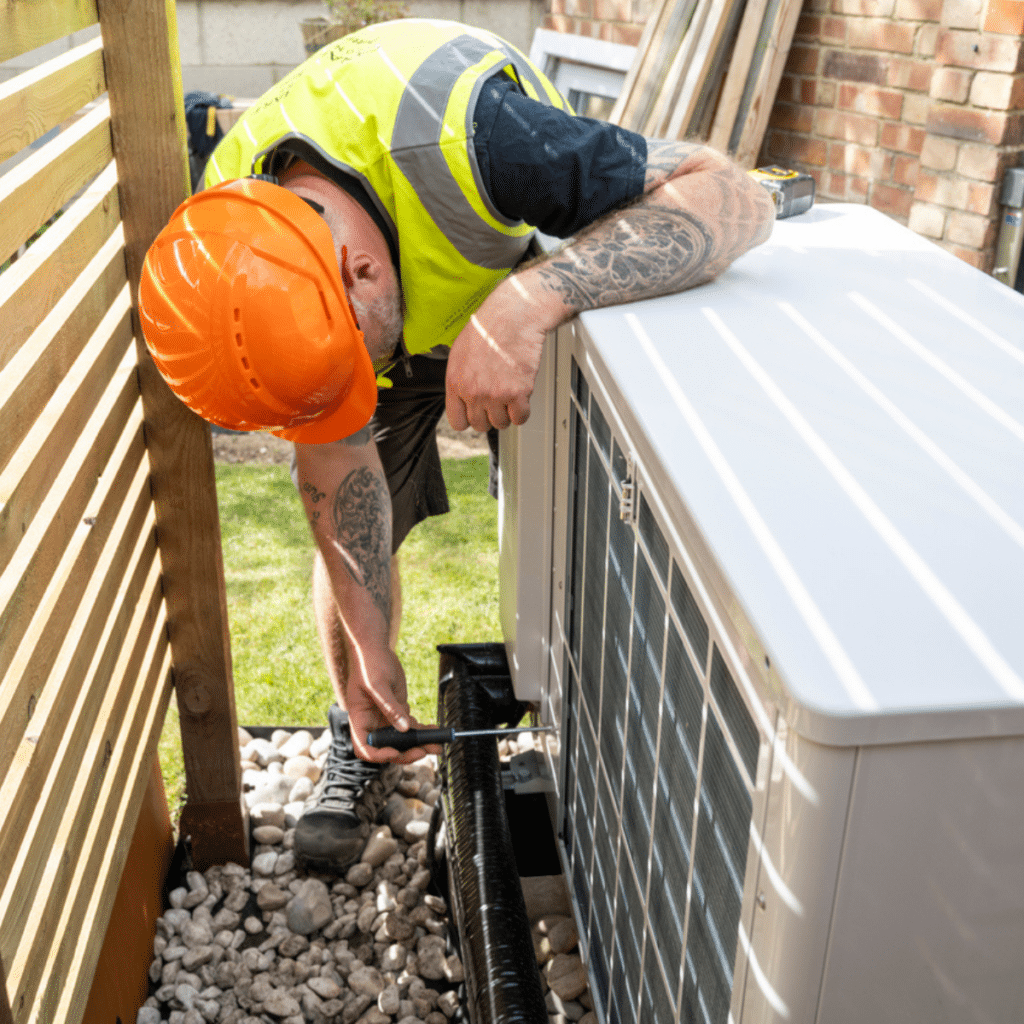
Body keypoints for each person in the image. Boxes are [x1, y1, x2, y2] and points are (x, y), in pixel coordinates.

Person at [139, 18, 775, 873]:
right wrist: (370, 651)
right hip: (395, 288)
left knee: (567, 520)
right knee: (361, 536)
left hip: (511, 262)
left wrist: (527, 302)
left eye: (349, 372)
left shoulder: (483, 140)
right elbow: (335, 466)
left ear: (360, 273)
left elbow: (731, 197)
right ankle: (356, 731)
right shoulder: (238, 249)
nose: (347, 405)